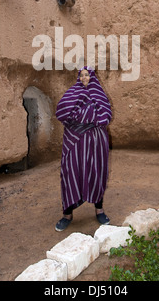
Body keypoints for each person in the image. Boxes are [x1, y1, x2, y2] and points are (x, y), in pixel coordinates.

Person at [55, 66, 112, 231]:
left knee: (96, 172)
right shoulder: (71, 94)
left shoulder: (100, 95)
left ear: (92, 77)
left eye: (87, 75)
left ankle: (99, 210)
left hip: (96, 142)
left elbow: (105, 115)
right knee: (70, 173)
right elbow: (62, 112)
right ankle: (67, 215)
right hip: (74, 141)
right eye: (81, 75)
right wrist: (90, 115)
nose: (84, 78)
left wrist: (82, 115)